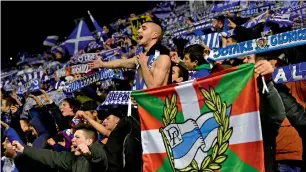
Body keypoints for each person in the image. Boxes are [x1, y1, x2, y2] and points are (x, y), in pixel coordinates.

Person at [89, 19, 171, 90]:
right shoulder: (140, 57)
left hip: (156, 106)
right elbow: (120, 63)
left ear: (154, 35)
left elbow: (154, 88)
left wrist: (143, 64)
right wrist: (102, 63)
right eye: (139, 28)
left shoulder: (163, 58)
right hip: (140, 105)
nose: (138, 31)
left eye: (144, 29)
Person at [12, 124, 108, 172]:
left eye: (77, 137)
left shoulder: (100, 150)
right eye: (73, 136)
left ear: (89, 141)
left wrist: (90, 154)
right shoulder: (73, 158)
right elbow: (52, 157)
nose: (72, 140)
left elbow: (100, 157)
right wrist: (24, 149)